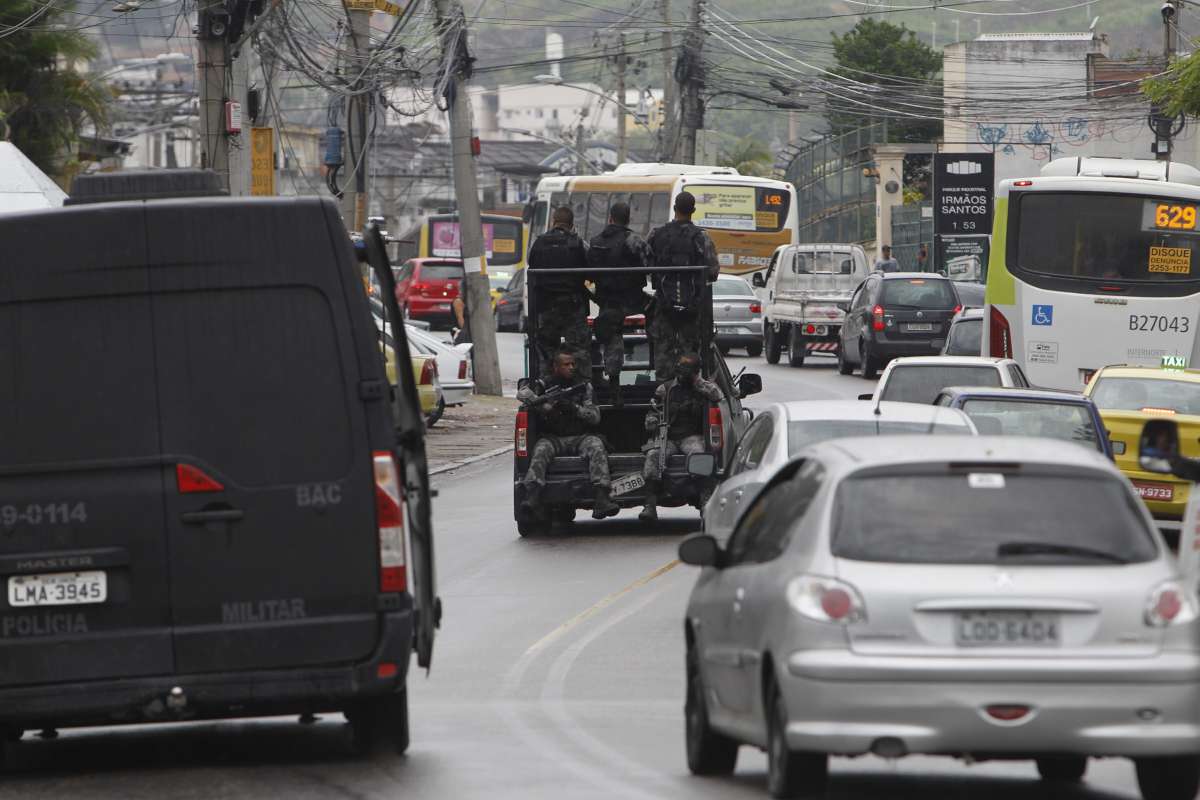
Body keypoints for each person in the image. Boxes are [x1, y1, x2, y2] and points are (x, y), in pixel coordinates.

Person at [518, 350, 620, 520]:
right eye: (566, 364)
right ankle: (533, 497)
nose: (571, 367)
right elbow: (522, 394)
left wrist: (573, 408)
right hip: (554, 437)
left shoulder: (583, 386)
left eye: (573, 364)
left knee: (596, 445)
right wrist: (545, 406)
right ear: (555, 367)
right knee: (540, 450)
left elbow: (595, 417)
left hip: (579, 437)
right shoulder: (544, 384)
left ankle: (602, 498)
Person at [638, 352, 723, 523]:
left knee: (700, 456)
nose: (681, 374)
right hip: (668, 438)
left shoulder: (701, 387)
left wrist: (696, 380)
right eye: (680, 369)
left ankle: (706, 503)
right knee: (653, 455)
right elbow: (651, 413)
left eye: (686, 370)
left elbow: (717, 395)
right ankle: (650, 505)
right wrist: (653, 421)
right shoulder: (666, 389)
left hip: (690, 437)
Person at [646, 191, 720, 381]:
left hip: (664, 306)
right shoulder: (702, 238)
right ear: (693, 210)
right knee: (690, 356)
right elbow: (713, 271)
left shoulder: (657, 234)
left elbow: (646, 265)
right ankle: (688, 389)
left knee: (663, 356)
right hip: (692, 310)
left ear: (674, 208)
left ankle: (664, 400)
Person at [588, 201, 653, 406]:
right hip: (632, 299)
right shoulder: (633, 240)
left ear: (610, 218)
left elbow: (588, 272)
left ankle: (614, 384)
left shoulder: (595, 241)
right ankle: (659, 363)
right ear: (628, 220)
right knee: (659, 311)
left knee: (611, 336)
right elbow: (650, 263)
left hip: (608, 301)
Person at [527, 206, 592, 379]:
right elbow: (589, 272)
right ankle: (583, 388)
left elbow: (532, 272)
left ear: (553, 222)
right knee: (579, 351)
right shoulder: (578, 243)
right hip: (573, 307)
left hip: (547, 308)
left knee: (547, 350)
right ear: (571, 225)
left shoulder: (539, 243)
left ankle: (546, 388)